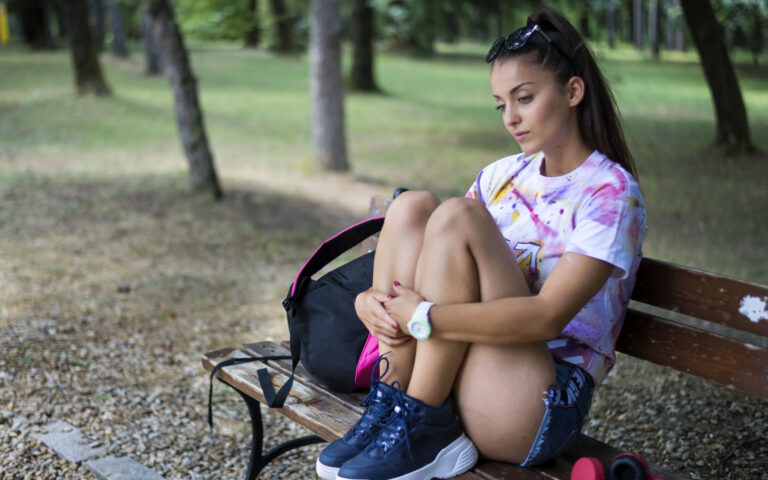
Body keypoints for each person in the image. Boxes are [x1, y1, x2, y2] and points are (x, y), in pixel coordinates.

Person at [316, 8, 647, 480]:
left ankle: (422, 424)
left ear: (573, 91)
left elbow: (547, 316)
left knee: (457, 215)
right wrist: (370, 300)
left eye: (524, 98)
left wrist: (423, 316)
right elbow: (442, 265)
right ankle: (391, 406)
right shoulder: (501, 175)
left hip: (534, 401)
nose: (511, 118)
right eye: (500, 105)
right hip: (461, 370)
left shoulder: (610, 193)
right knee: (411, 206)